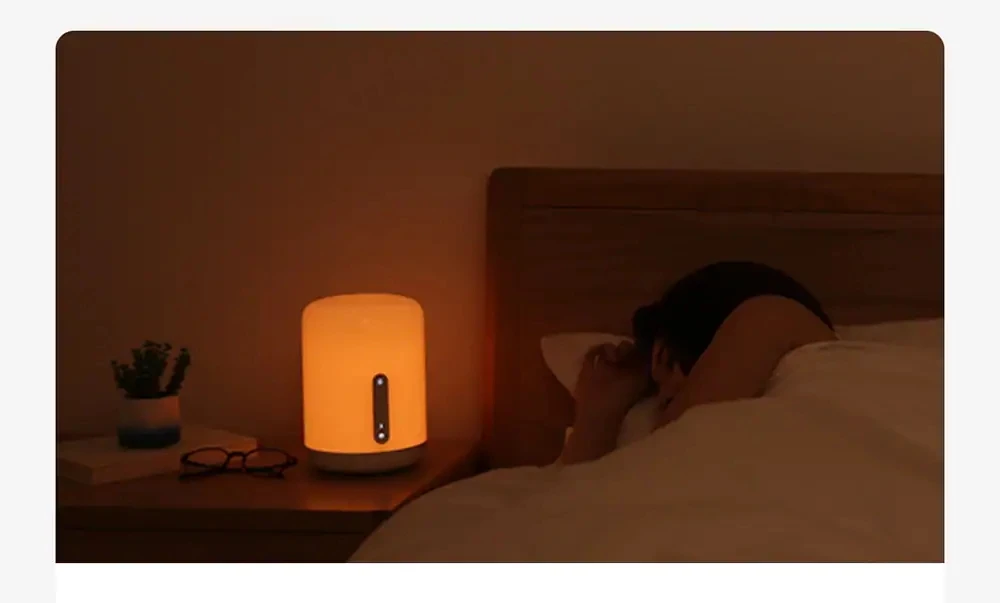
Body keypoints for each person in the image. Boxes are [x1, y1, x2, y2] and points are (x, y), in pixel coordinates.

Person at [560, 261, 838, 465]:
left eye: (668, 402)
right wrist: (598, 417)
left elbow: (657, 468)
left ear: (662, 357)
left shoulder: (773, 316)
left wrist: (596, 420)